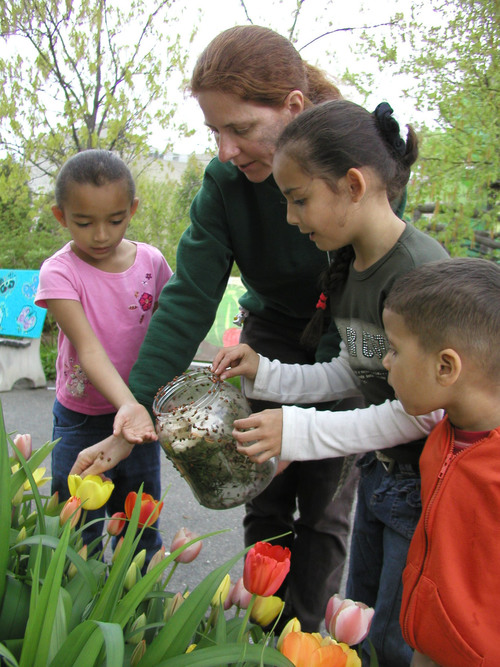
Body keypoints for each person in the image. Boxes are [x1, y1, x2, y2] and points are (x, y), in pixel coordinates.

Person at [69, 24, 378, 633]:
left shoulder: (351, 159)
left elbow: (360, 298)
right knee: (259, 493)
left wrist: (306, 424)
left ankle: (305, 639)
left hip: (348, 339)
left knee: (322, 508)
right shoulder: (226, 183)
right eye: (214, 130)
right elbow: (189, 296)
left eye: (239, 128)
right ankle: (254, 636)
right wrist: (136, 407)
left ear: (293, 106)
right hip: (268, 337)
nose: (225, 149)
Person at [211, 99, 449, 666]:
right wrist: (264, 371)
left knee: (396, 637)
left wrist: (299, 432)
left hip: (427, 486)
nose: (292, 219)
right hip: (381, 472)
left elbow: (422, 412)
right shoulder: (351, 266)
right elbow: (351, 371)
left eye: (299, 200)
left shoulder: (417, 272)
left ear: (352, 184)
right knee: (359, 622)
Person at [35, 149, 172, 557]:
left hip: (139, 420)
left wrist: (140, 409)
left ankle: (134, 613)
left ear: (132, 209)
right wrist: (128, 406)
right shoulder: (59, 272)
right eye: (83, 222)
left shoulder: (151, 262)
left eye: (114, 220)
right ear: (61, 216)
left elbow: (171, 333)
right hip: (81, 418)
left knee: (138, 529)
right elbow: (89, 349)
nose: (100, 235)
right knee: (78, 531)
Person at [380, 258, 500, 667]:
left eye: (394, 350)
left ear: (445, 366)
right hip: (428, 644)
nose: (384, 361)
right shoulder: (441, 441)